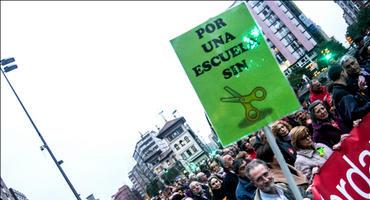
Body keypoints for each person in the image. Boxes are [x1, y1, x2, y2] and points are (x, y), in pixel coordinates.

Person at [327, 62, 369, 132]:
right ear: (342, 73)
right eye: (345, 70)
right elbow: (355, 112)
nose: (347, 73)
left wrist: (360, 90)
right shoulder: (341, 93)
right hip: (363, 127)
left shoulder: (340, 89)